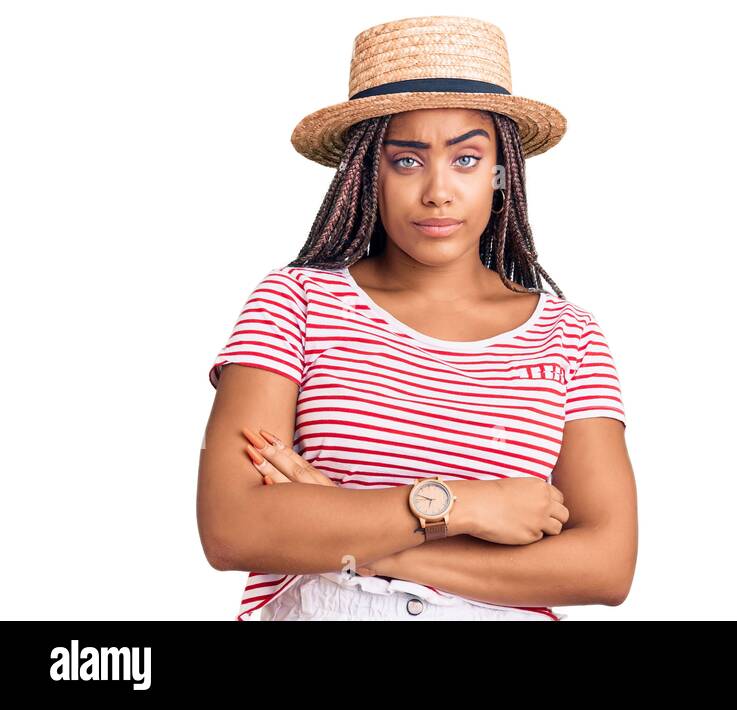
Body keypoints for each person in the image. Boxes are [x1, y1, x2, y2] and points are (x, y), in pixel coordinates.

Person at [196, 16, 637, 621]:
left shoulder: (570, 336)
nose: (437, 191)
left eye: (466, 159)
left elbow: (606, 565)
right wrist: (462, 507)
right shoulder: (294, 303)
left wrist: (362, 543)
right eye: (406, 160)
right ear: (367, 174)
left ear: (500, 174)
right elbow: (233, 526)